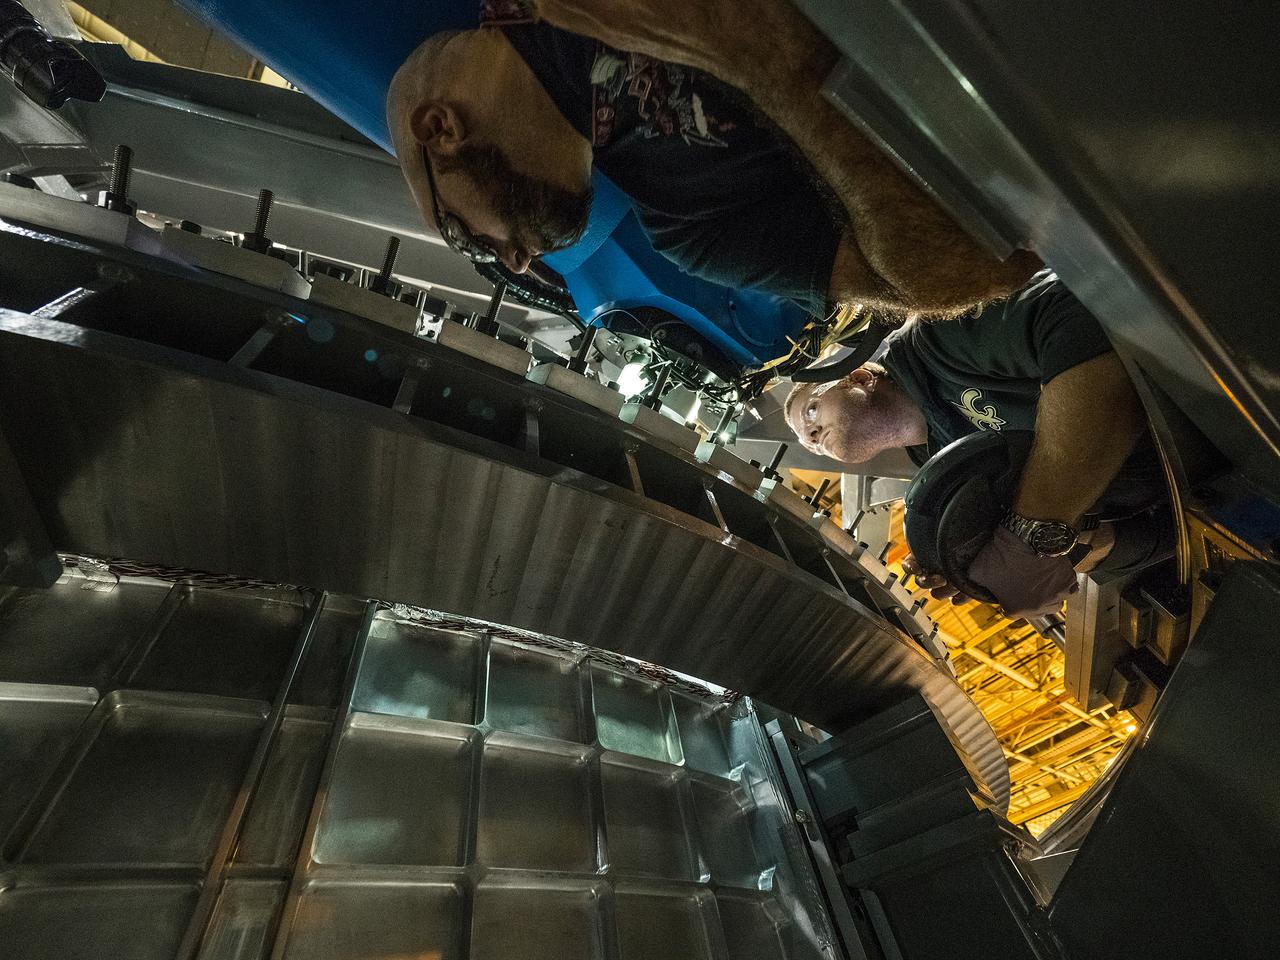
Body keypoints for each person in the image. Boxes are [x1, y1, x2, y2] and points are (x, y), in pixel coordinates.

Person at [386, 0, 1040, 325]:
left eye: (463, 235)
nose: (518, 262)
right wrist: (763, 61)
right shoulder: (689, 230)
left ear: (440, 129)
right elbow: (983, 268)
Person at [784, 272, 1171, 619]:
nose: (813, 437)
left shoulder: (935, 338)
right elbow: (1162, 536)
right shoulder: (950, 471)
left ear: (860, 377)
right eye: (809, 443)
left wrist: (1025, 535)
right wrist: (1070, 547)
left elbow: (1086, 315)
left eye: (812, 410)